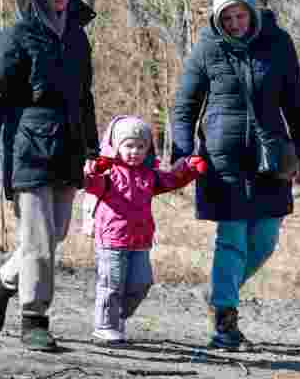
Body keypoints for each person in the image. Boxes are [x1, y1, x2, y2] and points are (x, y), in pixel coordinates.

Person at [170, 0, 300, 351]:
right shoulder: (208, 46)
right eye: (227, 18)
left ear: (252, 12)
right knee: (232, 239)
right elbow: (185, 105)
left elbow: (296, 102)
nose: (235, 24)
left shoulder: (278, 43)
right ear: (217, 19)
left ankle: (220, 292)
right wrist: (182, 153)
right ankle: (225, 321)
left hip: (271, 156)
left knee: (265, 240)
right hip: (224, 159)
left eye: (240, 16)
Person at [0, 0, 99, 352]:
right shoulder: (17, 37)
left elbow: (85, 97)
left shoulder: (77, 36)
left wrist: (93, 149)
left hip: (69, 147)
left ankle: (3, 280)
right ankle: (34, 319)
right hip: (30, 147)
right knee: (39, 241)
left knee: (53, 234)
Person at [82, 115, 207, 346]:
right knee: (111, 284)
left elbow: (172, 179)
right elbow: (88, 183)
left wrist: (189, 169)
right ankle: (104, 327)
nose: (135, 152)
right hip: (111, 240)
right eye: (129, 146)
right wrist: (94, 169)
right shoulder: (108, 173)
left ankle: (117, 317)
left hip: (140, 240)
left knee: (142, 283)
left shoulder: (149, 174)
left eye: (141, 147)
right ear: (116, 146)